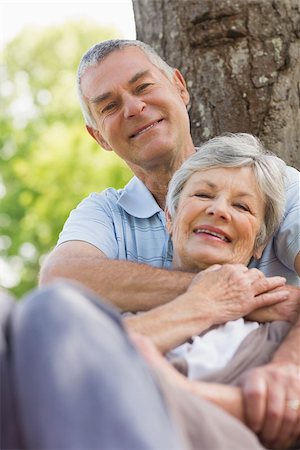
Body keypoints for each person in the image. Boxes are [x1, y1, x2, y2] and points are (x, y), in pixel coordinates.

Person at [39, 39, 300, 446]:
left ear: (180, 86)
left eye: (143, 87)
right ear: (98, 136)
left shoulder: (276, 186)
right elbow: (59, 281)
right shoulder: (104, 214)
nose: (133, 108)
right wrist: (217, 296)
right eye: (109, 105)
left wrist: (287, 371)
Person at [1, 282, 267, 450]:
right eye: (202, 195)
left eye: (242, 207)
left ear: (259, 244)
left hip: (207, 432)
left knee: (54, 306)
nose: (218, 210)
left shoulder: (283, 332)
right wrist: (197, 305)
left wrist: (165, 384)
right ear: (170, 221)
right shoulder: (106, 318)